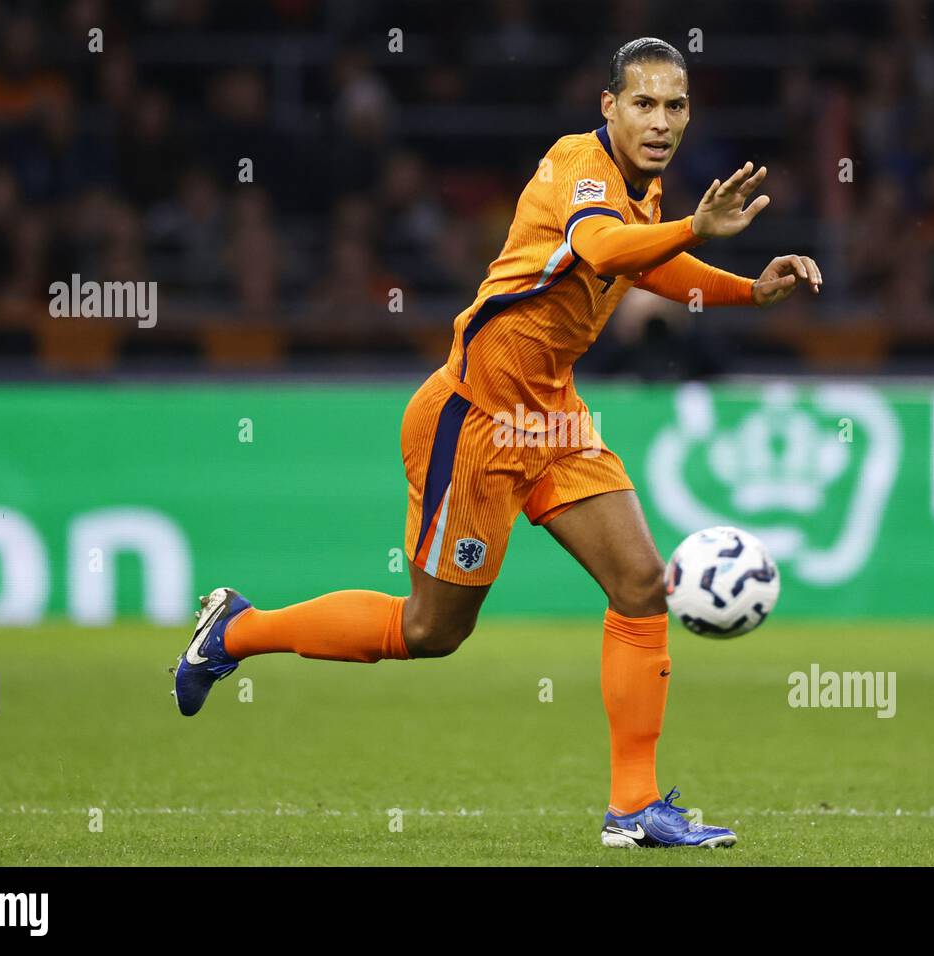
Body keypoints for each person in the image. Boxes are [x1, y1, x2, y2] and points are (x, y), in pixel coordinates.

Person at [174, 36, 821, 849]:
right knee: (430, 632)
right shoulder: (577, 167)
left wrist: (745, 290)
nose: (662, 121)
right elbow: (597, 247)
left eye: (677, 105)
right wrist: (699, 224)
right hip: (476, 421)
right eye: (645, 104)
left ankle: (634, 807)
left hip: (553, 417)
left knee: (639, 585)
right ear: (608, 106)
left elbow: (643, 270)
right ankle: (235, 629)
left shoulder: (643, 189)